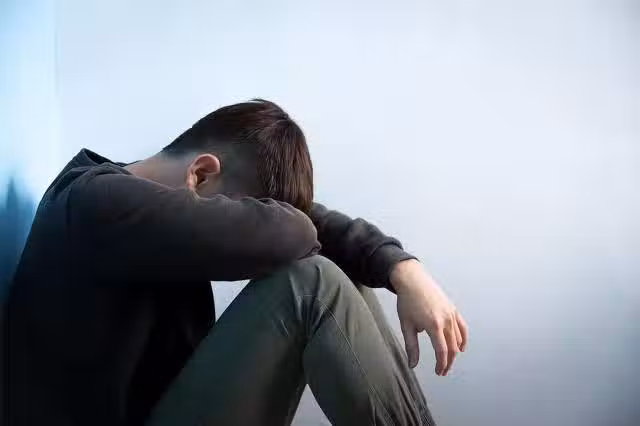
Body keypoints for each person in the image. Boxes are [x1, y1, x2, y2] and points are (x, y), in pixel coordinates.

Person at [2, 99, 468, 426]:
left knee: (338, 269)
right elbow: (298, 230)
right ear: (201, 174)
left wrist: (403, 269)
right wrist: (299, 227)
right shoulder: (95, 202)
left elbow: (305, 228)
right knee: (312, 281)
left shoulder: (127, 209)